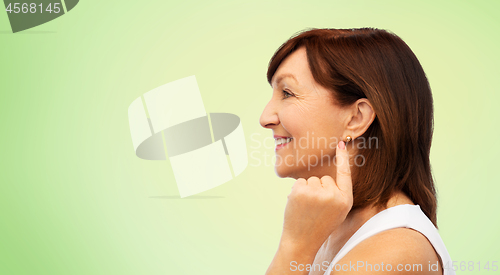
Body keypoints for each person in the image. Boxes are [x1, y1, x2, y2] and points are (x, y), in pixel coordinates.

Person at [259, 28, 455, 275]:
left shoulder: (394, 252)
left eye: (287, 93)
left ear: (356, 118)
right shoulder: (333, 229)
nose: (265, 118)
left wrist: (294, 249)